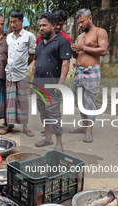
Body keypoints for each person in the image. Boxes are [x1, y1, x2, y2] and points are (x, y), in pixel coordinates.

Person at [31, 13, 71, 151]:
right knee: (43, 112)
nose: (41, 28)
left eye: (44, 25)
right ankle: (48, 138)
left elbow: (66, 63)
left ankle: (59, 142)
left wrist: (61, 83)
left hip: (52, 85)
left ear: (53, 26)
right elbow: (35, 64)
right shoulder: (40, 43)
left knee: (54, 113)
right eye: (40, 25)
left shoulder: (62, 42)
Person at [70, 8, 108, 143]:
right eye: (79, 23)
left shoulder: (100, 32)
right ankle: (84, 125)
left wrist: (83, 48)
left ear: (90, 18)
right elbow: (79, 55)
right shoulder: (80, 36)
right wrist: (74, 52)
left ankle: (89, 131)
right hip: (79, 71)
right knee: (79, 100)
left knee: (89, 101)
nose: (80, 25)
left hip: (92, 72)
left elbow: (103, 51)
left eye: (82, 22)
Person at [1, 10, 36, 136]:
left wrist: (23, 66)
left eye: (15, 22)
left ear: (22, 21)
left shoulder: (29, 36)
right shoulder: (8, 37)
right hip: (9, 73)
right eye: (11, 22)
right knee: (10, 101)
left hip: (21, 74)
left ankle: (25, 127)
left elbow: (32, 55)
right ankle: (9, 126)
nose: (12, 25)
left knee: (22, 100)